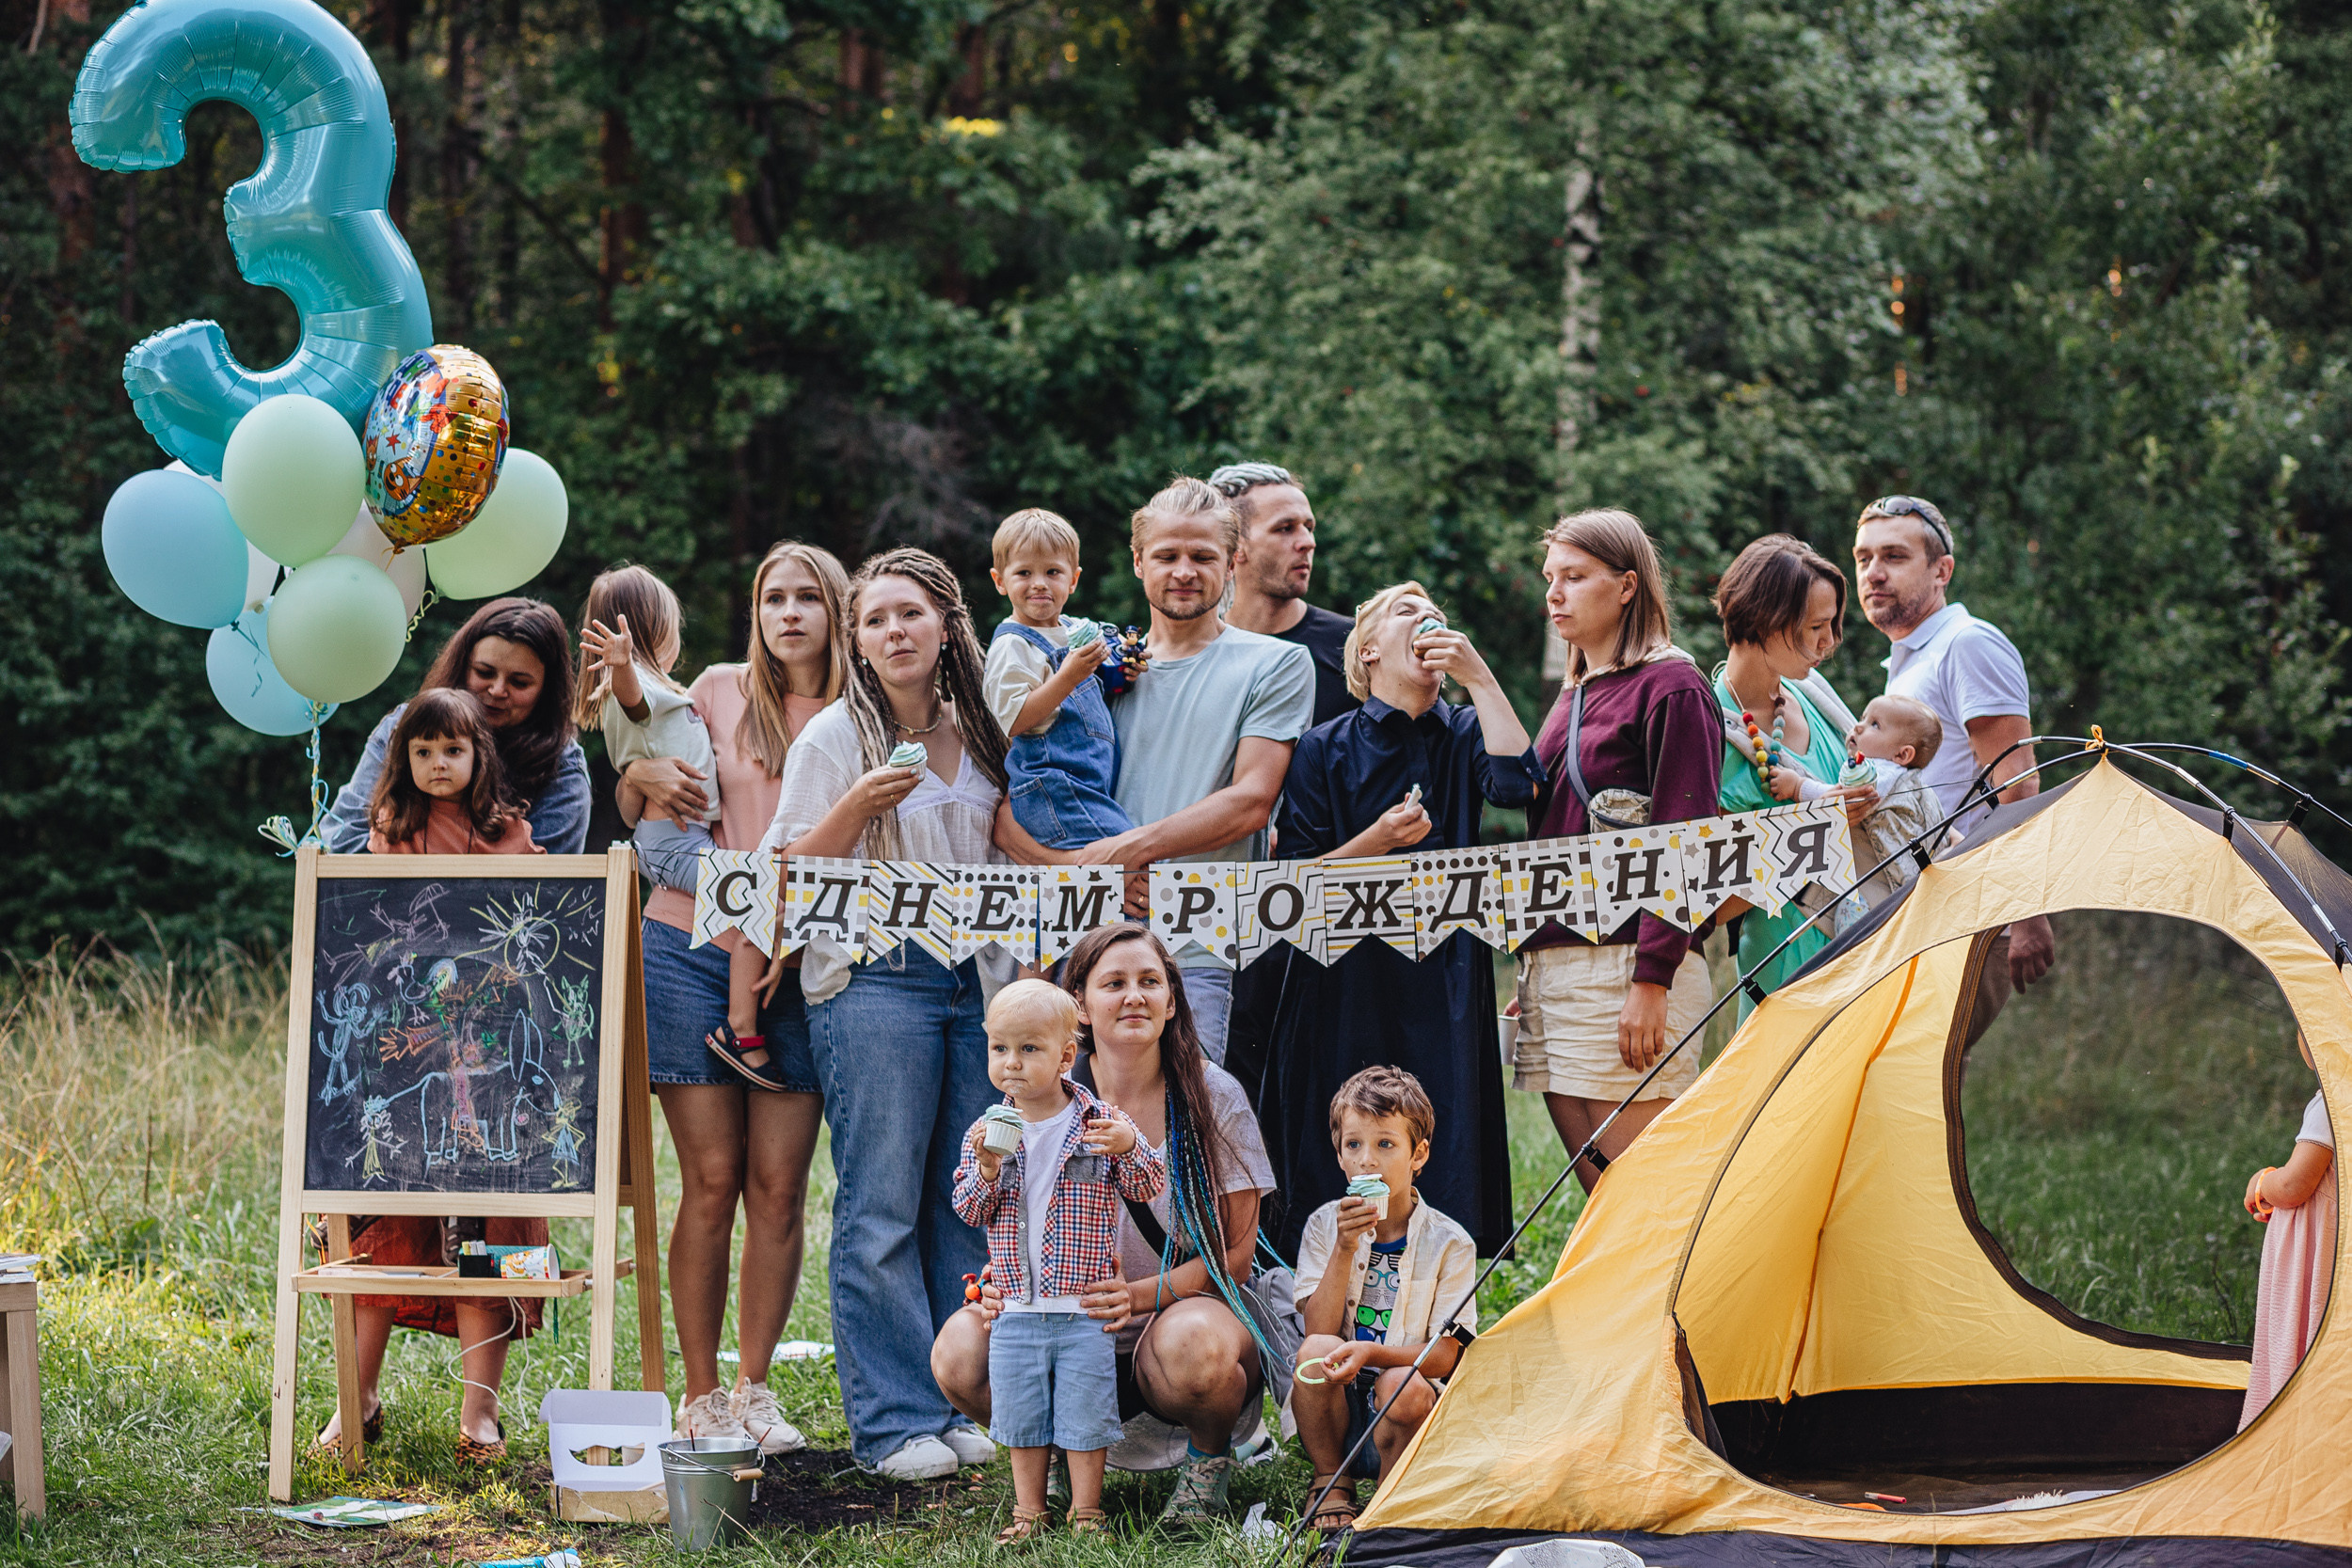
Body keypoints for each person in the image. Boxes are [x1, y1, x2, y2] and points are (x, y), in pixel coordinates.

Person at [760, 546, 1010, 1480]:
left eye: (910, 614)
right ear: (857, 641)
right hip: (874, 979)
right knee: (881, 1206)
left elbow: (1012, 856)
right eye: (874, 620)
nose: (894, 631)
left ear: (945, 624)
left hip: (976, 982)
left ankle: (955, 1395)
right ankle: (893, 1420)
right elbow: (782, 877)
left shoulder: (982, 728)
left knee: (965, 1198)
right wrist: (859, 806)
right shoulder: (835, 737)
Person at [932, 924, 1283, 1525]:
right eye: (1114, 983)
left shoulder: (1212, 1096)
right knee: (959, 1352)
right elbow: (1000, 1210)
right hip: (1054, 1319)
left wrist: (1134, 1297)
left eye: (1151, 982)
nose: (1134, 996)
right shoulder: (1031, 1095)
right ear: (1080, 1008)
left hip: (1169, 1329)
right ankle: (1049, 1461)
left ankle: (1207, 1462)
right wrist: (1004, 1283)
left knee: (1196, 1347)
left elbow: (1236, 1259)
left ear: (1171, 1001)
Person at [620, 543, 850, 1450]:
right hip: (689, 949)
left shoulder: (862, 713)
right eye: (772, 598)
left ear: (837, 610)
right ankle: (703, 1394)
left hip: (806, 964)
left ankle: (756, 1388)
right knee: (712, 1181)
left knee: (780, 1186)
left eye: (807, 598)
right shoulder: (714, 692)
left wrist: (782, 928)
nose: (789, 613)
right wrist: (632, 782)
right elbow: (656, 828)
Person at [1259, 582, 1539, 1259]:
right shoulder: (1323, 746)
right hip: (1349, 979)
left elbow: (1516, 785)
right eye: (1406, 612)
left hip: (1445, 973)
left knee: (1442, 1133)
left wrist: (1479, 677)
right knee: (1348, 1128)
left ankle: (1439, 1291)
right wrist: (1375, 841)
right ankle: (1335, 1280)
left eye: (1436, 613)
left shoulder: (1465, 729)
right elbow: (1293, 879)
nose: (1428, 620)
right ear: (1369, 649)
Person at [997, 477, 1316, 1066]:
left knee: (1186, 1115)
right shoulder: (1092, 671)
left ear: (1233, 562)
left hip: (1194, 950)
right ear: (1139, 561)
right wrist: (1091, 871)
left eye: (1203, 557)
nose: (1184, 571)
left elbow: (1251, 800)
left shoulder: (1276, 663)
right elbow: (1008, 813)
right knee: (1075, 1121)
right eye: (1167, 556)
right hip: (1084, 950)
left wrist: (1125, 852)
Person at [319, 687, 545, 1462]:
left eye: (453, 749)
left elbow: (533, 925)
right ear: (402, 759)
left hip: (492, 1072)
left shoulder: (510, 832)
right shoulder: (391, 831)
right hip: (404, 1067)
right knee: (381, 1226)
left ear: (480, 755)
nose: (438, 763)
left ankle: (480, 1412)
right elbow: (384, 938)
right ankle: (357, 1398)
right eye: (423, 751)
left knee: (492, 1229)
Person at [1514, 509, 1721, 1190]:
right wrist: (1537, 956)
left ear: (1628, 585)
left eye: (1575, 576)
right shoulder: (1575, 692)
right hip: (1559, 968)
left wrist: (1652, 979)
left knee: (1648, 1198)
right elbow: (1556, 834)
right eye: (1550, 577)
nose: (1554, 593)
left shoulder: (1672, 685)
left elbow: (1685, 838)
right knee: (1604, 1197)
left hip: (1629, 964)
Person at [952, 979, 1166, 1541]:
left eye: (1029, 1049)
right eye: (1000, 1048)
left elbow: (1148, 1184)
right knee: (1021, 1415)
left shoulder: (1099, 1123)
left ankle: (1087, 1510)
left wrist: (1130, 1146)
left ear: (1066, 1056)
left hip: (1083, 1308)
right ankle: (1029, 1510)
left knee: (1086, 1412)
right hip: (1015, 1307)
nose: (1012, 1063)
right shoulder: (984, 1133)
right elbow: (968, 1209)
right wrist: (988, 1169)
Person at [1851, 495, 2055, 1022]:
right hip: (1928, 915)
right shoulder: (1911, 659)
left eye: (1894, 557)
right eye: (1864, 558)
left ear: (1942, 571)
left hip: (1973, 914)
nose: (1873, 573)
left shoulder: (1968, 644)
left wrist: (2026, 911)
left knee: (1925, 1067)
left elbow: (2019, 784)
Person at [578, 565, 776, 1088]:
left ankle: (741, 1024)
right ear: (653, 630)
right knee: (757, 893)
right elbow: (632, 700)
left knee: (755, 892)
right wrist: (623, 664)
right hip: (671, 844)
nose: (678, 637)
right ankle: (740, 1028)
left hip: (684, 839)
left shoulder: (666, 692)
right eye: (672, 626)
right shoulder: (635, 687)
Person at [1287, 1066, 1476, 1534]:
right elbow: (1317, 1330)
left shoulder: (1451, 1244)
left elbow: (1446, 1355)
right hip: (1336, 1412)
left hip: (1403, 1412)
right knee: (1315, 1351)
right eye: (1353, 1145)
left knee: (1402, 1384)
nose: (1367, 1161)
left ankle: (1389, 1497)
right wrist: (1344, 1248)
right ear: (1339, 1156)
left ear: (1419, 1154)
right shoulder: (1325, 1227)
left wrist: (1371, 1353)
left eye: (1385, 1144)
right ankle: (1332, 1479)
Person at [1709, 535, 1872, 1010]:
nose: (1830, 641)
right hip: (1786, 971)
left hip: (1868, 951)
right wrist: (1818, 829)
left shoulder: (1814, 696)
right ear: (1764, 619)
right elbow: (1713, 906)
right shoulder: (1709, 731)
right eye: (1815, 626)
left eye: (1832, 625)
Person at [321, 598, 589, 855]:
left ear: (546, 691)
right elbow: (342, 841)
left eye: (519, 682)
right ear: (462, 666)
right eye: (484, 672)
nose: (497, 690)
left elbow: (545, 879)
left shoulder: (563, 766)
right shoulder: (406, 726)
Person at [981, 507, 1136, 849]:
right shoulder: (1012, 644)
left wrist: (1125, 667)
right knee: (1129, 855)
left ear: (1073, 580)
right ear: (1000, 581)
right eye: (1024, 572)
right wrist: (1068, 677)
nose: (1039, 583)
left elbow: (1106, 671)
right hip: (1053, 789)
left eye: (1052, 572)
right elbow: (1014, 720)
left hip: (1089, 786)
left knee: (1114, 866)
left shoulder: (1074, 629)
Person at [1210, 463, 1359, 727]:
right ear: (1235, 546)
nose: (1308, 542)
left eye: (1309, 527)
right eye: (1285, 528)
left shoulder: (1354, 646)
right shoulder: (1200, 653)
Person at [2239, 1044, 2336, 1430]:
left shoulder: (2334, 1102)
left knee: (2301, 1339)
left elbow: (2295, 1185)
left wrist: (2262, 1184)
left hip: (2318, 1254)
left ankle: (2288, 1429)